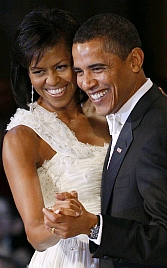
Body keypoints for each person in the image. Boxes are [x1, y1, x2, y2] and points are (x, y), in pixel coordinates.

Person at [42, 13, 167, 268]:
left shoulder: (159, 132)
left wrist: (93, 227)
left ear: (135, 60)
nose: (87, 83)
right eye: (80, 71)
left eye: (98, 68)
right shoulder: (136, 115)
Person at [2, 8, 110, 268]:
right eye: (39, 71)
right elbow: (35, 235)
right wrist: (63, 222)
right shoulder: (22, 136)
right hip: (70, 259)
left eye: (61, 67)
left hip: (119, 251)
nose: (52, 80)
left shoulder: (103, 116)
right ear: (27, 74)